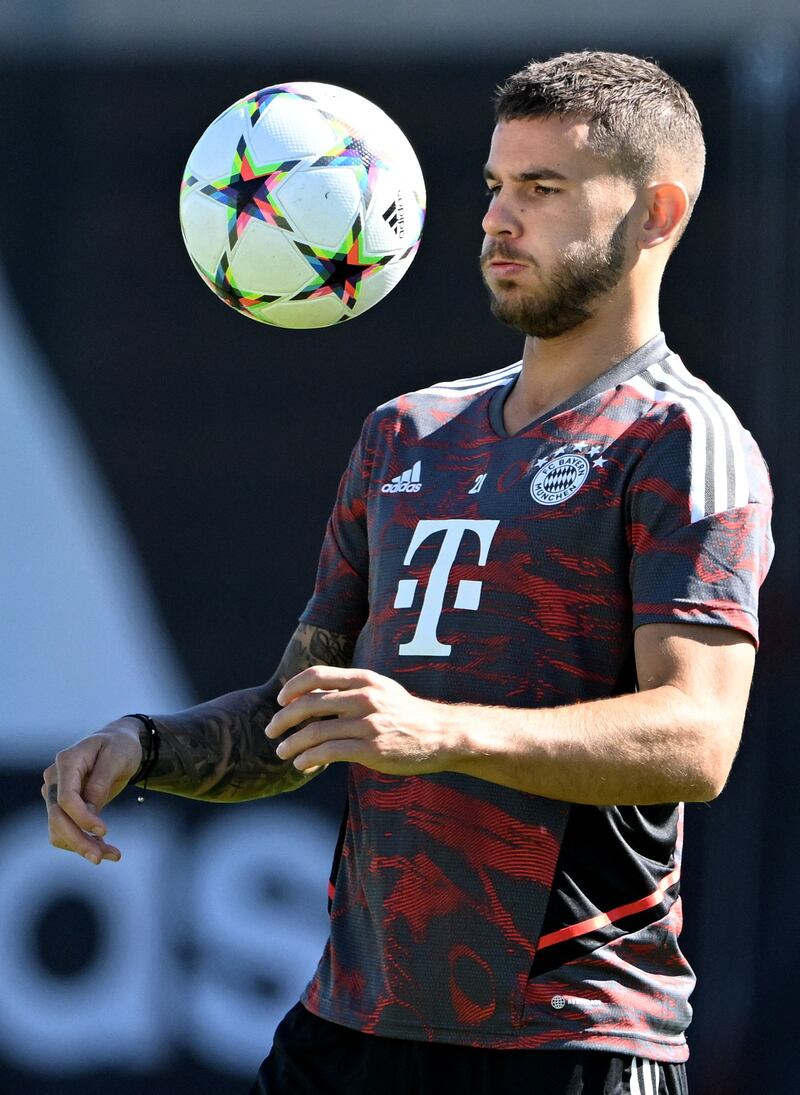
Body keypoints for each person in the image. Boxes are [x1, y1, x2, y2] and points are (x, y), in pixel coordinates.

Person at [43, 50, 773, 1095]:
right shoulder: (406, 434)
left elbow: (695, 738)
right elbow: (302, 724)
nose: (495, 220)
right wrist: (140, 745)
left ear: (655, 213)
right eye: (492, 186)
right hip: (346, 1032)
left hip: (565, 1040)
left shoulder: (677, 439)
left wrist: (438, 731)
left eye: (542, 189)